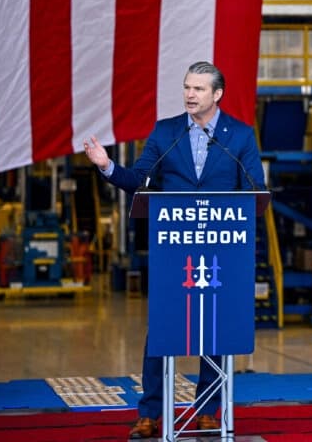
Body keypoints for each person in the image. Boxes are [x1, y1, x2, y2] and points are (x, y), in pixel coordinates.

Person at [83, 60, 265, 439]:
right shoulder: (166, 133)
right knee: (163, 330)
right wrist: (107, 166)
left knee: (213, 328)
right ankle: (149, 413)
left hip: (221, 249)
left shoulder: (241, 136)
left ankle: (209, 411)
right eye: (186, 87)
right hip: (173, 248)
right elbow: (139, 180)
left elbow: (254, 189)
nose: (189, 95)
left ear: (217, 95)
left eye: (198, 89)